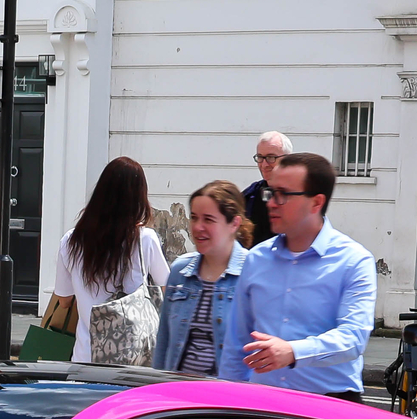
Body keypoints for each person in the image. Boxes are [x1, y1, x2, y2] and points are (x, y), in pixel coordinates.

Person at [214, 152, 378, 402]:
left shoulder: (354, 260)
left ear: (316, 202)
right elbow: (237, 343)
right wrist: (226, 405)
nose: (270, 203)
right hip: (263, 403)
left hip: (329, 406)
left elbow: (353, 338)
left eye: (282, 194)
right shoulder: (257, 259)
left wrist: (292, 352)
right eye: (269, 193)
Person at [54, 156, 170, 363]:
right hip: (134, 359)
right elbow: (167, 288)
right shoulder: (145, 239)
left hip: (86, 357)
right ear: (139, 197)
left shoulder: (71, 241)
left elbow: (64, 300)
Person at [152, 180, 252, 374]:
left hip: (226, 398)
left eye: (208, 219)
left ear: (234, 223)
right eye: (194, 217)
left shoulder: (253, 272)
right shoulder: (180, 271)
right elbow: (163, 341)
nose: (198, 227)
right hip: (178, 395)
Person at [240, 130, 292, 246]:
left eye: (271, 157)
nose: (264, 164)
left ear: (287, 159)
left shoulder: (301, 196)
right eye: (260, 157)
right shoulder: (249, 196)